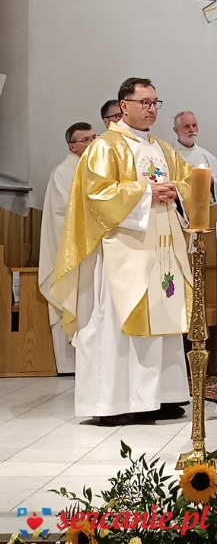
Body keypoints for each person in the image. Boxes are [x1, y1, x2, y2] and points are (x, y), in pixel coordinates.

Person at [48, 78, 193, 425]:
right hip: (123, 252)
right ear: (124, 106)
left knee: (162, 317)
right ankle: (111, 403)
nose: (152, 108)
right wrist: (146, 194)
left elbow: (188, 182)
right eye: (144, 102)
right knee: (115, 325)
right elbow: (96, 194)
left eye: (155, 102)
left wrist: (178, 191)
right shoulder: (105, 147)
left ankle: (159, 396)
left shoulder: (163, 148)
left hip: (161, 250)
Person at [38, 123, 97, 375]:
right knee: (71, 299)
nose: (93, 143)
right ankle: (70, 364)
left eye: (94, 138)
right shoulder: (63, 172)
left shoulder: (92, 169)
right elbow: (63, 214)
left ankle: (91, 361)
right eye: (86, 140)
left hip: (90, 249)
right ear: (72, 146)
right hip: (71, 252)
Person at [172, 111, 217, 201]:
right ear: (176, 130)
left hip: (204, 204)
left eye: (194, 125)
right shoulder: (169, 154)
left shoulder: (206, 156)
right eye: (187, 126)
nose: (192, 130)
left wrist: (211, 181)